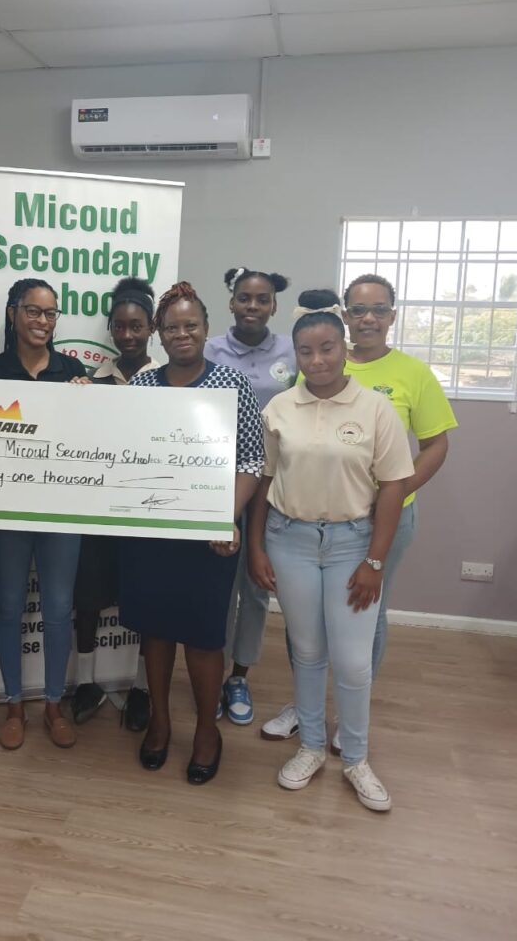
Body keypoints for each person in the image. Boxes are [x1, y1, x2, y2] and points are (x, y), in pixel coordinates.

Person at [260, 274, 458, 748]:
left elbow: (435, 445)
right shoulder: (303, 379)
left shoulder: (409, 376)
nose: (369, 317)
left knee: (364, 619)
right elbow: (283, 461)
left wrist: (392, 489)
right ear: (345, 315)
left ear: (392, 315)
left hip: (379, 519)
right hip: (304, 525)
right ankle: (307, 711)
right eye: (359, 309)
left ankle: (348, 723)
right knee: (306, 632)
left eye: (379, 309)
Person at [247, 290, 414, 812]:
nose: (317, 360)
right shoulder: (280, 407)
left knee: (353, 661)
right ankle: (312, 747)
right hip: (289, 539)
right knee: (307, 652)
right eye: (305, 351)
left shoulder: (375, 408)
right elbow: (264, 480)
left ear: (343, 348)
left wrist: (375, 561)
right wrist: (255, 547)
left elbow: (393, 486)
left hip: (352, 543)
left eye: (326, 348)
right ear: (294, 354)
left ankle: (357, 759)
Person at [118, 282, 263, 785]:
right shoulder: (141, 386)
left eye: (191, 325)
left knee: (203, 638)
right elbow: (119, 450)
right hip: (151, 533)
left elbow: (251, 461)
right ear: (158, 333)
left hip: (209, 534)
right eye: (172, 327)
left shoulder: (232, 384)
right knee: (156, 632)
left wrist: (226, 515)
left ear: (205, 329)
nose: (182, 334)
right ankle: (159, 721)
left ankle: (206, 730)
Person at [0, 278, 87, 751]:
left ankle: (54, 705)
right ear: (13, 313)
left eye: (50, 313)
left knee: (59, 610)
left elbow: (89, 439)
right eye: (33, 311)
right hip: (8, 513)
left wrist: (90, 401)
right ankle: (14, 704)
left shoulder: (72, 370)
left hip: (62, 512)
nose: (42, 321)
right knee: (9, 607)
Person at [204, 266, 295, 726]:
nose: (252, 306)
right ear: (232, 302)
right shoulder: (209, 349)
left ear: (274, 305)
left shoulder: (292, 352)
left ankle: (239, 676)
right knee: (218, 584)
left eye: (262, 299)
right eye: (244, 298)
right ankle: (211, 673)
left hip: (273, 487)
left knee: (256, 587)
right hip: (219, 482)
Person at [71, 277, 158, 730]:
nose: (127, 335)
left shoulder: (167, 381)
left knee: (144, 601)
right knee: (87, 597)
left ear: (152, 328)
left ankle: (142, 688)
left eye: (136, 326)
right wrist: (76, 401)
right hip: (98, 512)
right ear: (109, 329)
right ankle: (85, 682)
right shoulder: (92, 381)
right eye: (119, 326)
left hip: (147, 512)